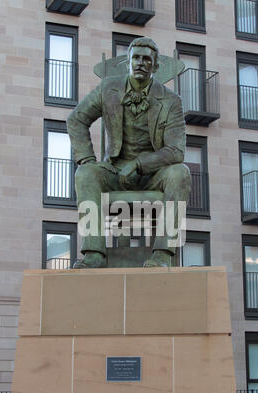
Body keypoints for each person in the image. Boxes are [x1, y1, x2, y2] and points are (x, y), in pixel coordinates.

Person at [67, 37, 191, 268]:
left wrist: (139, 164)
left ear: (155, 66)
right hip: (114, 172)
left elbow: (176, 151)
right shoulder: (108, 88)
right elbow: (76, 119)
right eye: (136, 58)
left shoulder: (172, 101)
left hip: (153, 177)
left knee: (180, 173)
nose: (140, 63)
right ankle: (94, 254)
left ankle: (162, 255)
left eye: (147, 59)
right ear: (128, 62)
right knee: (85, 174)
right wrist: (87, 159)